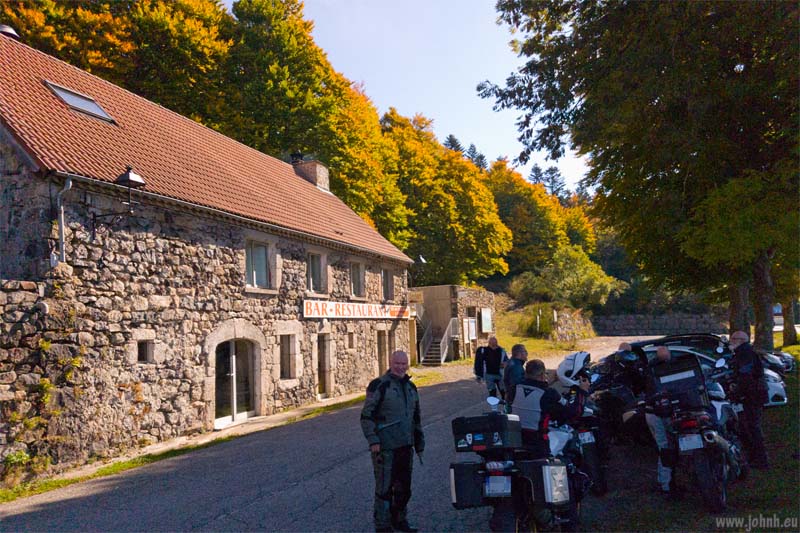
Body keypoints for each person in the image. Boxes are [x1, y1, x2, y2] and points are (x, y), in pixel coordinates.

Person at [360, 351, 425, 532]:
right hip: (385, 448)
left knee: (404, 488)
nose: (401, 367)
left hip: (406, 446)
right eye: (397, 363)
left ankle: (399, 519)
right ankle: (382, 525)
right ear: (390, 362)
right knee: (384, 489)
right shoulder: (379, 385)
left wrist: (419, 443)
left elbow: (416, 418)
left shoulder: (411, 387)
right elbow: (366, 416)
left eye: (404, 363)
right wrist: (373, 440)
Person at [514, 359, 589, 456]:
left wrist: (552, 380)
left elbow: (533, 388)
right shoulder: (549, 393)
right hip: (539, 443)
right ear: (542, 375)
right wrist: (582, 391)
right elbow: (574, 412)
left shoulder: (515, 388)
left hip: (518, 438)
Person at [728, 330, 769, 469]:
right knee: (749, 427)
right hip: (753, 395)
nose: (730, 341)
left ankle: (760, 459)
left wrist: (737, 392)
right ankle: (756, 457)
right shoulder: (745, 353)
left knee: (752, 427)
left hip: (751, 397)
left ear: (740, 340)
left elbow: (745, 377)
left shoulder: (744, 354)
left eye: (732, 338)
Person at [643, 346, 681, 498]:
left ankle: (667, 481)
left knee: (665, 447)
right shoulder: (656, 371)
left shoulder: (650, 369)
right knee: (665, 447)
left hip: (655, 412)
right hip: (657, 414)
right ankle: (666, 484)